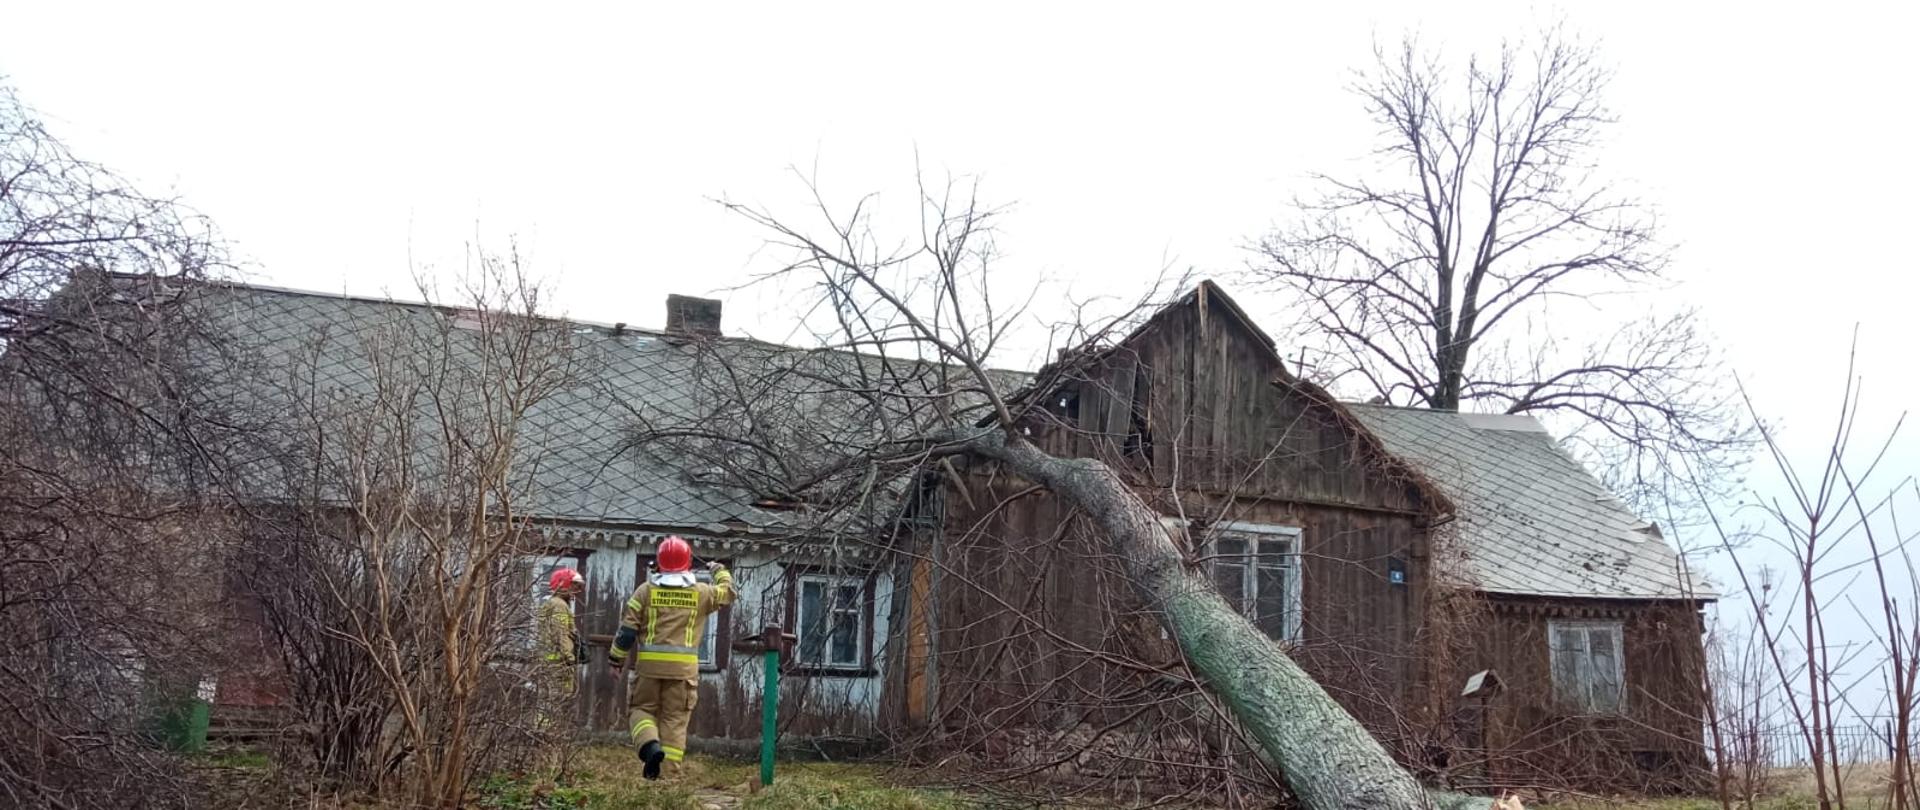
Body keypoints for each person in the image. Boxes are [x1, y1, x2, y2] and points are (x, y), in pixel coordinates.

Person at [608, 536, 734, 780]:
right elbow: (727, 593)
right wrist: (720, 571)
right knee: (674, 720)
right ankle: (668, 777)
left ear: (659, 562)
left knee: (641, 710)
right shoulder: (701, 593)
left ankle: (649, 746)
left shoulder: (645, 591)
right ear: (687, 562)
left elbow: (626, 632)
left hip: (649, 669)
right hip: (683, 673)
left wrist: (616, 661)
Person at [535, 567, 586, 766]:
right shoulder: (559, 606)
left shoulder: (551, 603)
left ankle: (544, 735)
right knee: (554, 701)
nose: (576, 591)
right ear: (563, 584)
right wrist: (569, 656)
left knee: (547, 701)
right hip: (557, 663)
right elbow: (560, 633)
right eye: (573, 585)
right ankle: (549, 737)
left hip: (548, 661)